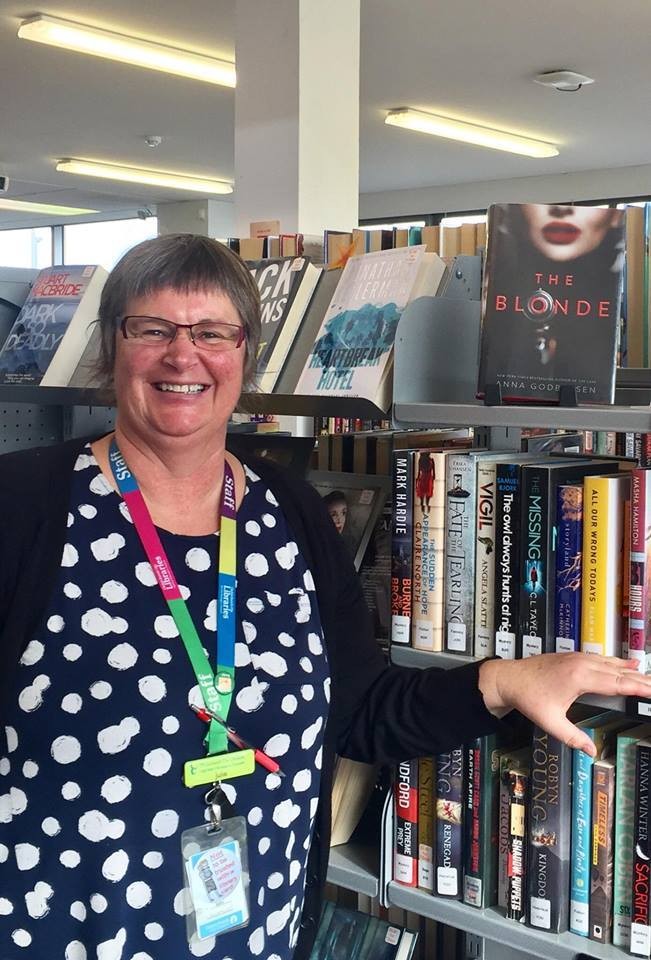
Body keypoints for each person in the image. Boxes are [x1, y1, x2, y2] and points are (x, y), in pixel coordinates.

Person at [1, 233, 650, 960]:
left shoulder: (289, 510)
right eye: (152, 329)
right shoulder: (25, 503)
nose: (183, 356)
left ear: (244, 354)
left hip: (257, 934)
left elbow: (361, 715)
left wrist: (502, 681)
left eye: (212, 332)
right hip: (59, 933)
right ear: (112, 346)